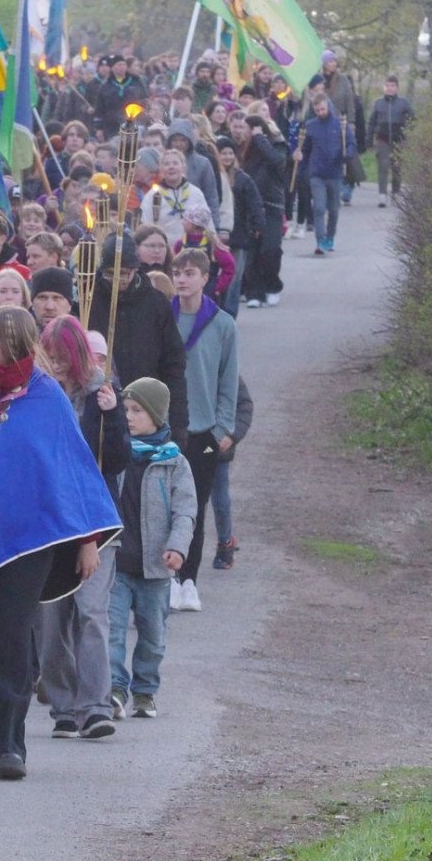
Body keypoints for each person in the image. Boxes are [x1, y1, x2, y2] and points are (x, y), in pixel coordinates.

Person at [0, 307, 123, 779]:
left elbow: (69, 469)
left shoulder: (46, 398)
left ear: (17, 343)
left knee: (12, 634)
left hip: (30, 540)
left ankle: (10, 743)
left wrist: (87, 539)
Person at [38, 315, 130, 741]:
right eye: (49, 357)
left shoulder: (101, 394)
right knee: (52, 619)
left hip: (97, 521)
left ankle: (95, 705)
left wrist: (113, 416)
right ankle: (63, 705)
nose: (56, 364)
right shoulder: (38, 395)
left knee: (91, 613)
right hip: (51, 524)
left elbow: (116, 461)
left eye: (62, 357)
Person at [108, 377, 195, 720]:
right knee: (112, 631)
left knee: (153, 636)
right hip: (117, 562)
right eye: (125, 410)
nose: (128, 417)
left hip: (156, 567)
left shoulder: (175, 463)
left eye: (137, 410)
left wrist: (177, 548)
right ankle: (115, 688)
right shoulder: (116, 455)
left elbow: (185, 512)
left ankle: (145, 690)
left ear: (157, 416)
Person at [168, 249, 239, 612]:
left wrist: (223, 428)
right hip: (166, 429)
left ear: (205, 278)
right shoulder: (164, 317)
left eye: (190, 273)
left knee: (193, 508)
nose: (182, 279)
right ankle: (165, 579)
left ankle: (188, 580)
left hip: (203, 431)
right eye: (177, 273)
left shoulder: (222, 324)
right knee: (162, 508)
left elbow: (228, 380)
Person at [85, 233, 190, 443]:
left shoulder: (156, 304)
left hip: (146, 412)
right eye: (110, 274)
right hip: (100, 412)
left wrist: (179, 422)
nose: (117, 280)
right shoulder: (88, 301)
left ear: (135, 269)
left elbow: (173, 365)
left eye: (123, 273)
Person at [231, 113, 287, 306]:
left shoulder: (276, 146)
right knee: (252, 252)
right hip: (250, 207)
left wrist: (259, 138)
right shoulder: (242, 150)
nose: (243, 133)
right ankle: (254, 293)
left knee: (270, 250)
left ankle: (272, 286)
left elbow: (276, 161)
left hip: (271, 206)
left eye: (246, 129)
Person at [216, 137, 264, 315]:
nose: (227, 157)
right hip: (217, 235)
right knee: (217, 276)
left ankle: (230, 312)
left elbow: (255, 203)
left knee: (234, 277)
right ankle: (217, 310)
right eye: (223, 153)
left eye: (230, 153)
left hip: (239, 235)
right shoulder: (214, 177)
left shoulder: (243, 179)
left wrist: (258, 225)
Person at [298, 92, 347, 256]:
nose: (320, 112)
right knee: (319, 208)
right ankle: (320, 241)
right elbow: (305, 150)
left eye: (323, 109)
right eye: (317, 110)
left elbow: (350, 143)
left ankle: (330, 237)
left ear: (328, 106)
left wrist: (347, 154)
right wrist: (301, 165)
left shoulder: (339, 124)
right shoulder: (310, 125)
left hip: (335, 173)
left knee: (333, 210)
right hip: (317, 173)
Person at [211, 377, 253, 570]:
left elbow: (245, 407)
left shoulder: (229, 374)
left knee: (220, 500)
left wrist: (231, 436)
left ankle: (225, 543)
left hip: (219, 446)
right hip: (191, 443)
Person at [141, 149, 208, 243]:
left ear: (183, 167)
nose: (171, 167)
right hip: (164, 247)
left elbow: (206, 222)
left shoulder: (196, 193)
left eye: (175, 163)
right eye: (166, 164)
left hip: (192, 246)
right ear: (161, 169)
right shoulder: (152, 196)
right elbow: (146, 225)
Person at [367, 74, 414, 206]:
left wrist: (407, 134)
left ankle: (396, 192)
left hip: (399, 140)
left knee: (397, 167)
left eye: (392, 86)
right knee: (383, 165)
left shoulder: (403, 103)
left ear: (397, 88)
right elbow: (371, 122)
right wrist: (369, 139)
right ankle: (382, 194)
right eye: (387, 86)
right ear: (384, 88)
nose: (389, 88)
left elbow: (413, 119)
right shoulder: (378, 103)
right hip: (382, 139)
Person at [175, 203, 236, 303]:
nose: (182, 222)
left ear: (194, 224)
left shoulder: (212, 244)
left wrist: (218, 287)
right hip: (185, 290)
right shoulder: (181, 243)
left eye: (185, 220)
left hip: (208, 292)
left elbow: (230, 265)